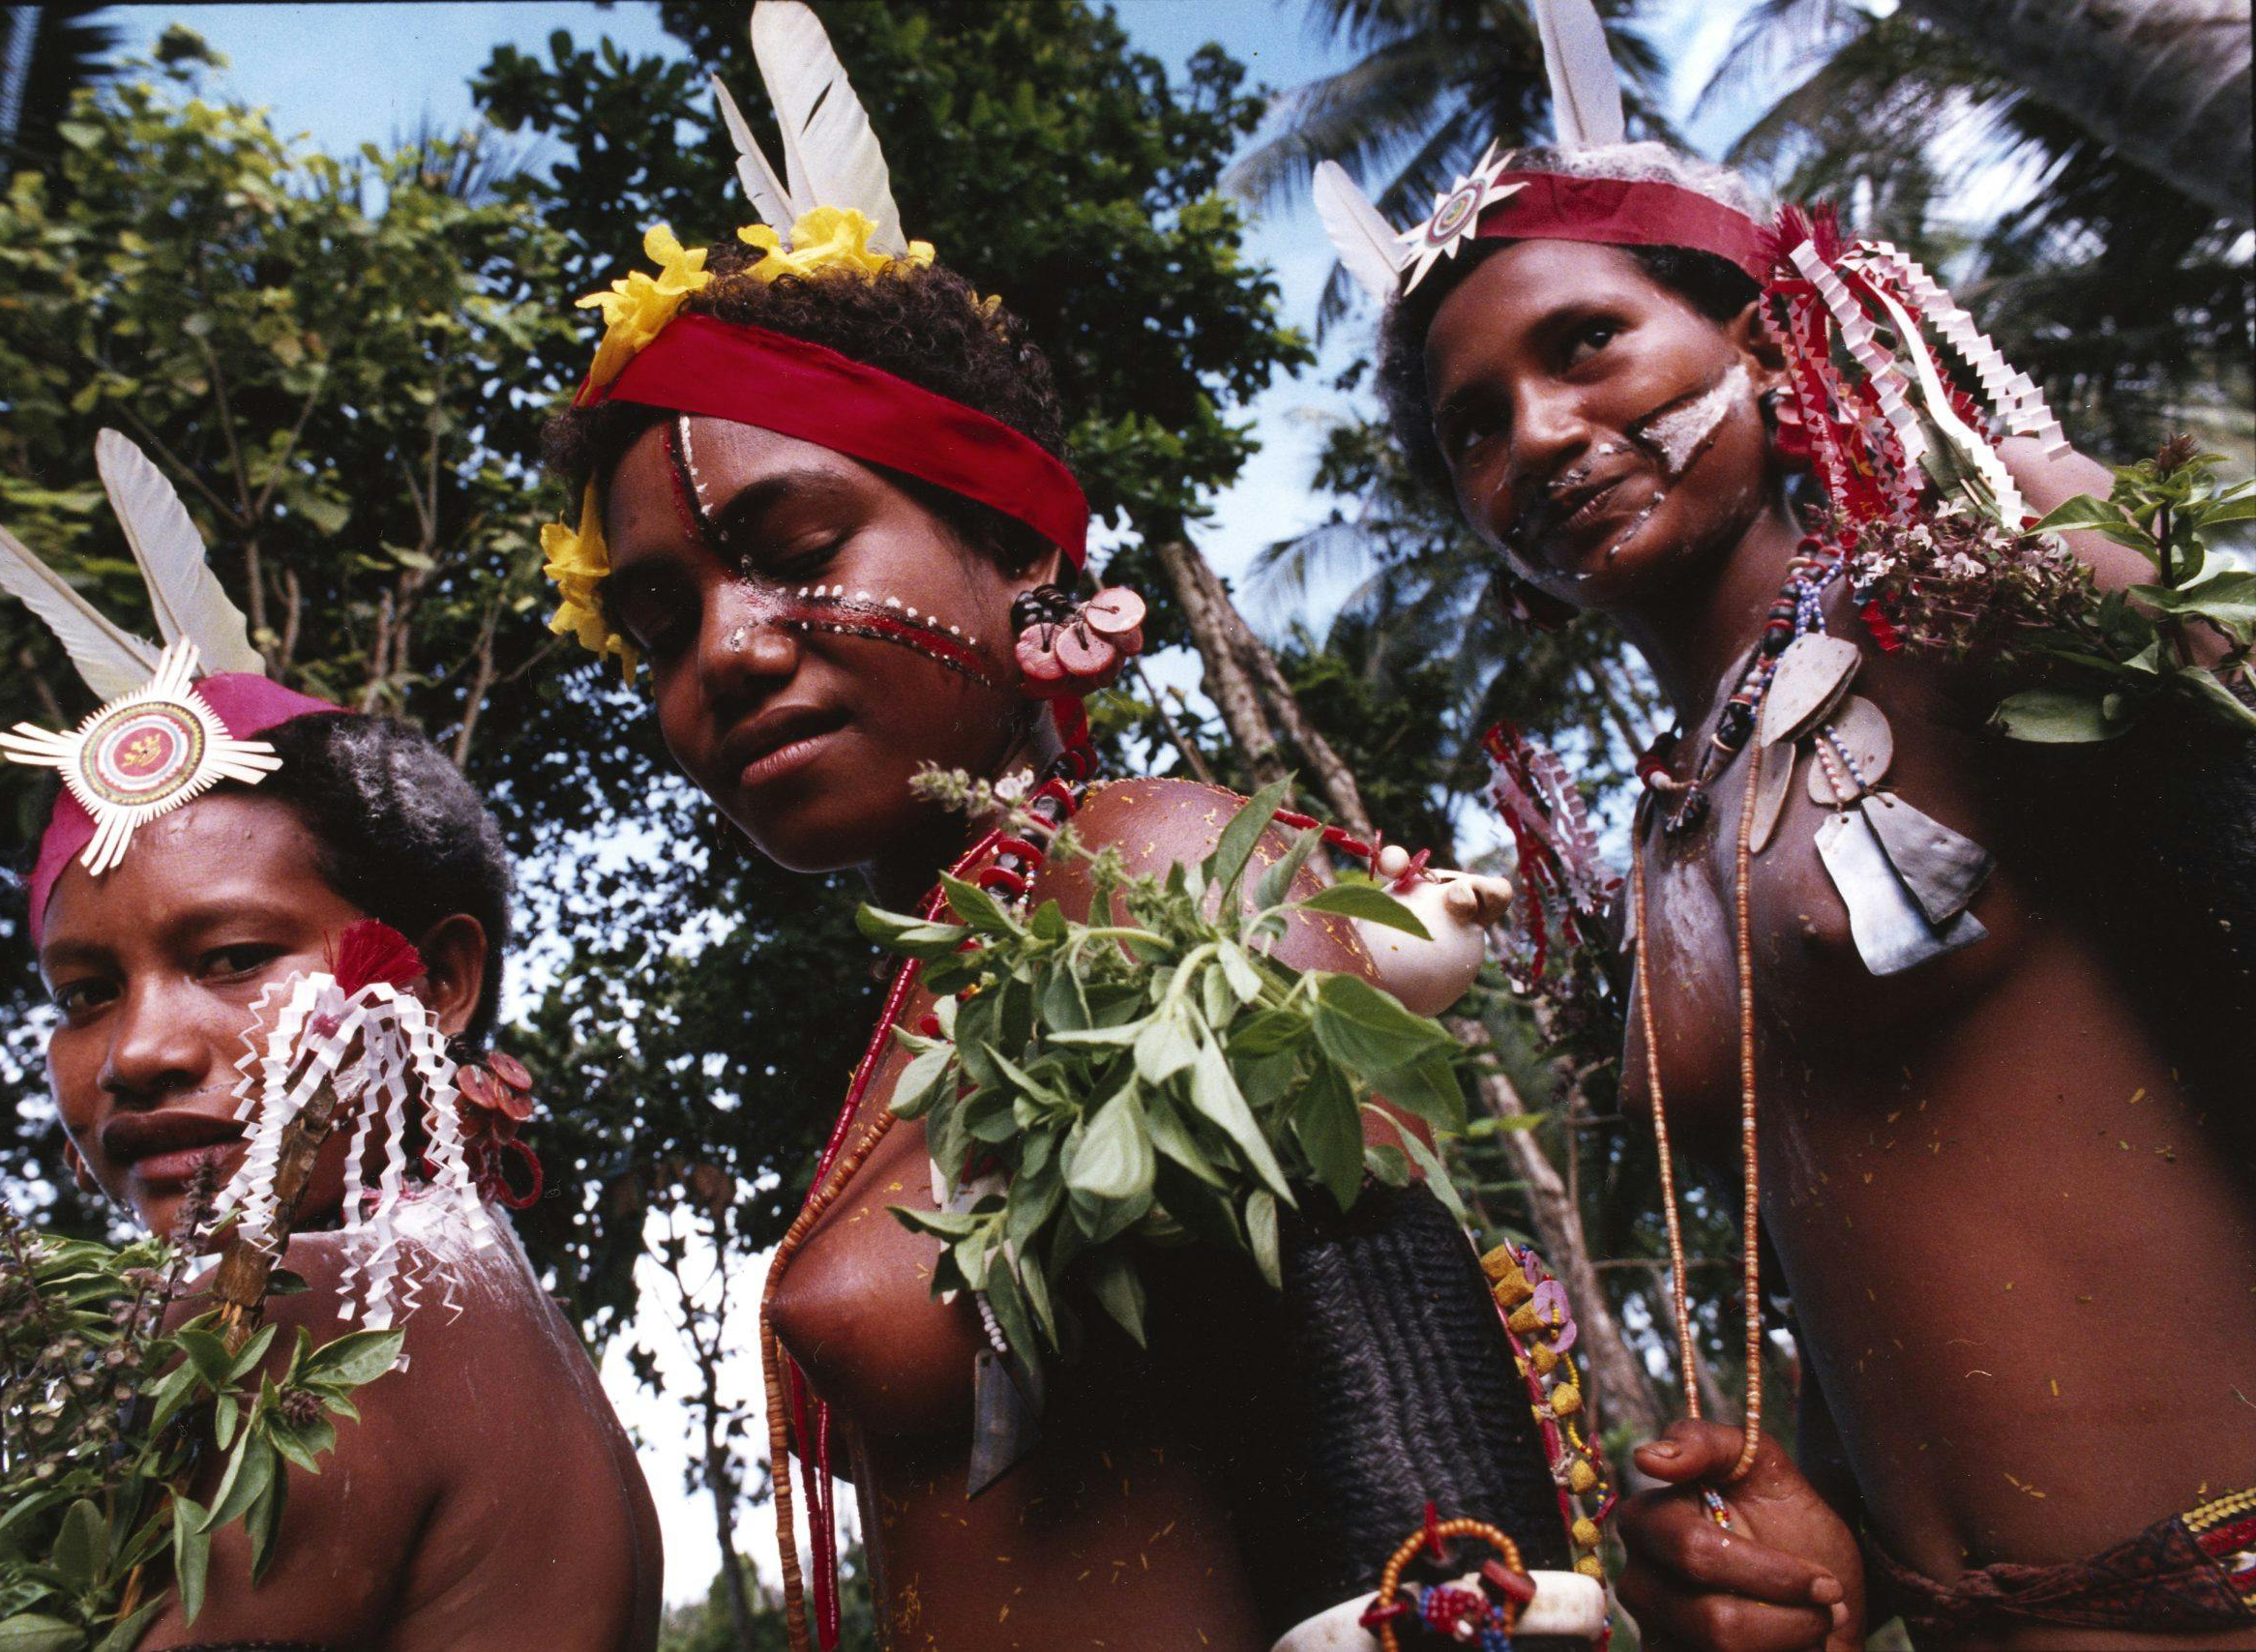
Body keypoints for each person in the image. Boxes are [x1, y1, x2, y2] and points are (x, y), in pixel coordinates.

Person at [534, 6, 1608, 1649]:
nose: (727, 651)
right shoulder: (955, 969)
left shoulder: (1157, 873)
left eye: (794, 543)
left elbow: (1428, 1515)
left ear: (1025, 558)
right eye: (663, 617)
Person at [1321, 3, 2256, 1644]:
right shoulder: (1666, 823)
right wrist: (1796, 1517)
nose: (1535, 431)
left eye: (1586, 342)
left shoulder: (1965, 608)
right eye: (1474, 424)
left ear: (1763, 336)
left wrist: (2061, 515)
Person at [0, 437, 663, 1651]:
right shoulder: (475, 1304)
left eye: (230, 958)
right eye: (84, 992)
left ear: (434, 981)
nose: (137, 1054)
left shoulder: (321, 1311)